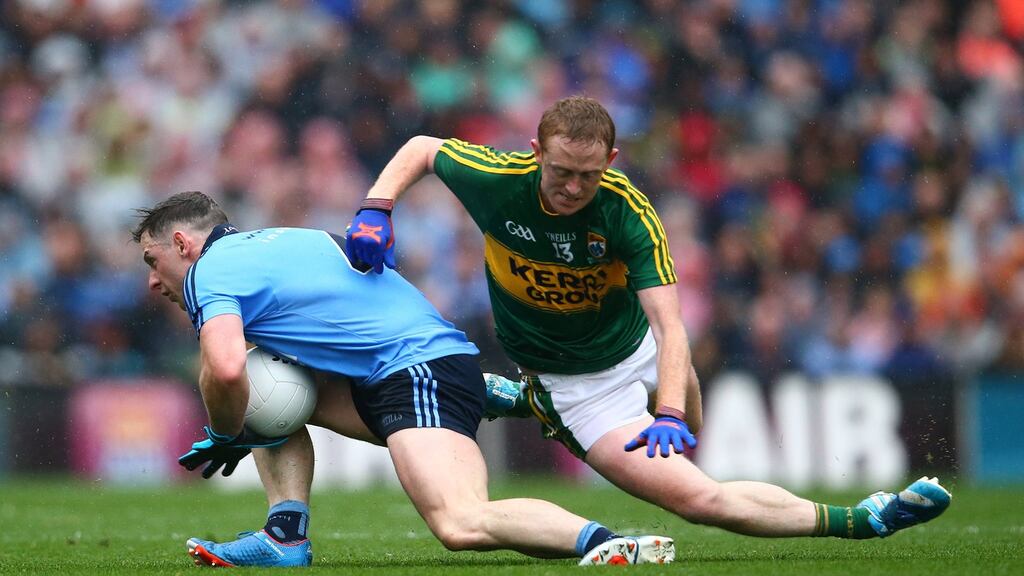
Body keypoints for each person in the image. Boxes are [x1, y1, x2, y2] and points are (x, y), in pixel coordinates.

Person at [344, 96, 951, 543]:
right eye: (560, 172)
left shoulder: (629, 213)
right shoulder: (497, 180)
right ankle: (865, 519)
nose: (573, 188)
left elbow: (672, 328)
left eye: (589, 174)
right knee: (699, 499)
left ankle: (518, 397)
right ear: (535, 154)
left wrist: (670, 410)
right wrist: (377, 206)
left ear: (611, 159)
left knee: (696, 437)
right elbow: (423, 148)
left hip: (640, 350)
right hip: (578, 389)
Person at [132, 191, 675, 567]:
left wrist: (228, 433)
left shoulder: (211, 272)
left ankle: (607, 542)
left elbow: (222, 369)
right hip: (416, 362)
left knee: (460, 521)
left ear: (182, 244)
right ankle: (285, 534)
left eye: (153, 262)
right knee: (270, 386)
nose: (154, 282)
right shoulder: (288, 240)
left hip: (416, 372)